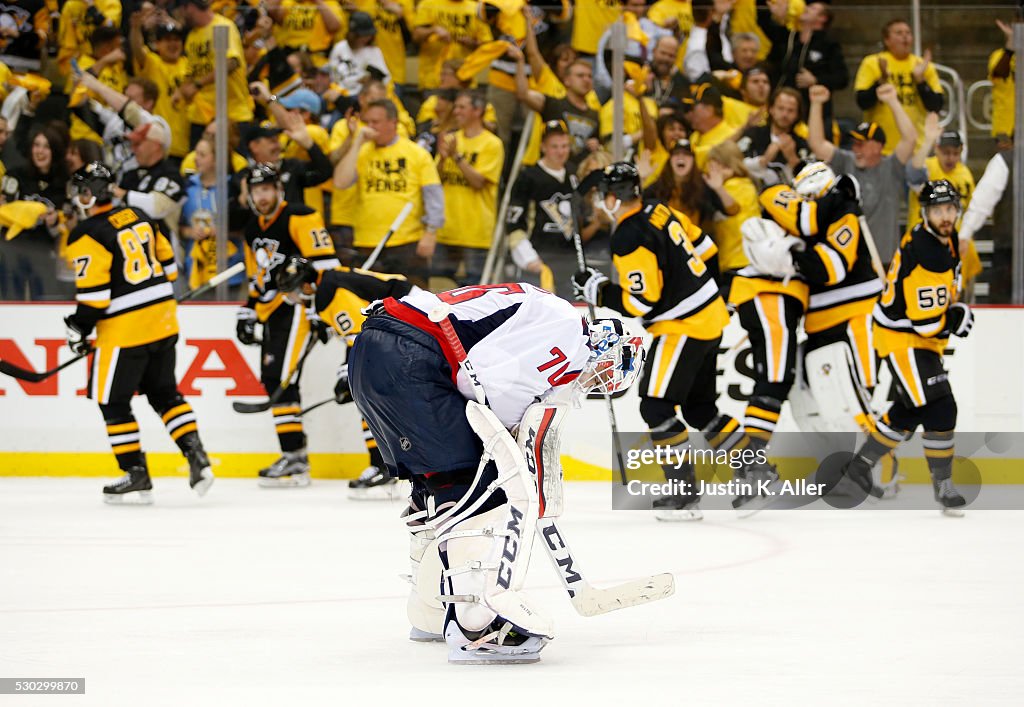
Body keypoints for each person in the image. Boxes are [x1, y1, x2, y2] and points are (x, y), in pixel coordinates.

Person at [348, 281, 642, 662]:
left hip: (381, 350)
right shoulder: (570, 335)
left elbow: (482, 370)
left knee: (435, 483)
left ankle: (432, 609)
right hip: (410, 358)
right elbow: (494, 390)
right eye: (603, 371)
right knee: (482, 489)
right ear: (601, 345)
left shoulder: (551, 313)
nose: (593, 382)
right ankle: (476, 625)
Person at [572, 163, 763, 519]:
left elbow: (640, 302)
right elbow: (706, 249)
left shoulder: (628, 235)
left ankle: (684, 490)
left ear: (613, 198)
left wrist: (597, 290)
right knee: (698, 409)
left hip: (683, 326)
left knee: (656, 407)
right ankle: (755, 471)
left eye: (602, 196)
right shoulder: (660, 208)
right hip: (711, 315)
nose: (600, 202)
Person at [63, 161, 214, 504]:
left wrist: (78, 328)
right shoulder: (140, 217)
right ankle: (197, 456)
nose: (80, 197)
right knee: (164, 394)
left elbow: (95, 298)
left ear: (94, 193)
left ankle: (135, 473)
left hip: (124, 331)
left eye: (84, 190)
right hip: (163, 321)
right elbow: (172, 271)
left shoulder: (85, 234)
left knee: (112, 401)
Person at [837, 180, 972, 515]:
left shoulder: (943, 238)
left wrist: (953, 310)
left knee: (909, 409)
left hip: (912, 334)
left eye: (950, 209)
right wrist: (955, 319)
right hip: (903, 337)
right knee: (941, 407)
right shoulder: (927, 253)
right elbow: (926, 323)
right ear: (925, 213)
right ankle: (944, 488)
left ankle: (857, 468)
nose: (945, 216)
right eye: (938, 210)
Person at [754, 162, 884, 458]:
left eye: (816, 197)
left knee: (860, 394)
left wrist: (793, 252)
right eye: (806, 199)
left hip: (856, 313)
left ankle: (876, 463)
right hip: (818, 320)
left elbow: (832, 268)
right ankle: (840, 461)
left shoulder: (844, 210)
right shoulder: (814, 210)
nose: (811, 205)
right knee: (823, 399)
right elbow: (772, 207)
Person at [273, 254, 416, 498]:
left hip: (408, 318)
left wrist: (345, 374)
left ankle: (385, 467)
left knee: (369, 394)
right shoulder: (327, 282)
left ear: (307, 286)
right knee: (373, 394)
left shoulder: (329, 295)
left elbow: (360, 335)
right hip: (406, 313)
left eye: (293, 292)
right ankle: (391, 465)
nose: (292, 298)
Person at [236, 164, 341, 486]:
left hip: (297, 307)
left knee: (280, 378)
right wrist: (250, 309)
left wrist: (319, 310)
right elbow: (260, 276)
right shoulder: (252, 227)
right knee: (274, 379)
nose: (262, 196)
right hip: (272, 312)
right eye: (256, 190)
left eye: (267, 189)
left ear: (278, 190)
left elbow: (326, 264)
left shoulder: (300, 216)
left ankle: (295, 458)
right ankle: (293, 455)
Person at [332, 98, 444, 288]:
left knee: (413, 302)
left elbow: (433, 195)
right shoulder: (362, 151)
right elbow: (341, 182)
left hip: (406, 242)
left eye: (375, 122)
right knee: (370, 301)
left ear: (393, 122)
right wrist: (357, 141)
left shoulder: (416, 153)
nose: (370, 127)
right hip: (368, 241)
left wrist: (431, 232)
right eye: (367, 122)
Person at [807, 83, 916, 265]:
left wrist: (893, 102)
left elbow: (910, 139)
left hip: (885, 262)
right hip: (853, 262)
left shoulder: (892, 168)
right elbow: (817, 144)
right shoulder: (846, 161)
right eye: (854, 143)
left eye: (861, 144)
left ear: (878, 147)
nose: (855, 148)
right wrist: (816, 104)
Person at [434, 90, 504, 287]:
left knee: (474, 294)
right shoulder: (450, 139)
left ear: (478, 110)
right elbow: (434, 180)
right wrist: (443, 160)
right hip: (445, 229)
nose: (456, 111)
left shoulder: (492, 144)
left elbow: (478, 182)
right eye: (455, 106)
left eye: (462, 107)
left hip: (476, 234)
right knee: (437, 293)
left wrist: (456, 157)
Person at [505, 120, 580, 298]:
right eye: (554, 146)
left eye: (564, 146)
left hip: (569, 261)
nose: (561, 152)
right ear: (543, 147)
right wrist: (528, 258)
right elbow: (513, 222)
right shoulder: (528, 177)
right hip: (539, 262)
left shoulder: (573, 174)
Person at [853, 18, 943, 154]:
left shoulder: (923, 65)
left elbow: (936, 106)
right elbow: (862, 102)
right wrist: (880, 82)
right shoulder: (873, 62)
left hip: (915, 148)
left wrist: (920, 81)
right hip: (878, 149)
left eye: (908, 32)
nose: (905, 36)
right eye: (899, 33)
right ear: (887, 40)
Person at [758, 0, 848, 131]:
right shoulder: (789, 37)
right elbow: (764, 26)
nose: (806, 8)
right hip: (783, 106)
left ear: (823, 18)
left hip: (812, 111)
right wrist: (778, 17)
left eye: (812, 8)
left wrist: (816, 80)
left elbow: (842, 78)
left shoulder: (829, 45)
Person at [179, 0, 254, 147]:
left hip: (232, 114)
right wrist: (181, 91)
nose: (180, 15)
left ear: (189, 7)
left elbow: (232, 62)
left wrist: (198, 84)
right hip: (202, 116)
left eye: (181, 9)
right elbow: (191, 72)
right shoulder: (192, 37)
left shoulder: (222, 26)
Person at [738, 86, 810, 187]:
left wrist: (792, 158)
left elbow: (810, 180)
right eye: (780, 108)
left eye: (791, 111)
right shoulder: (753, 133)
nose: (785, 114)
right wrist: (764, 160)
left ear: (797, 115)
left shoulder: (801, 144)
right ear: (771, 109)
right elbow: (735, 163)